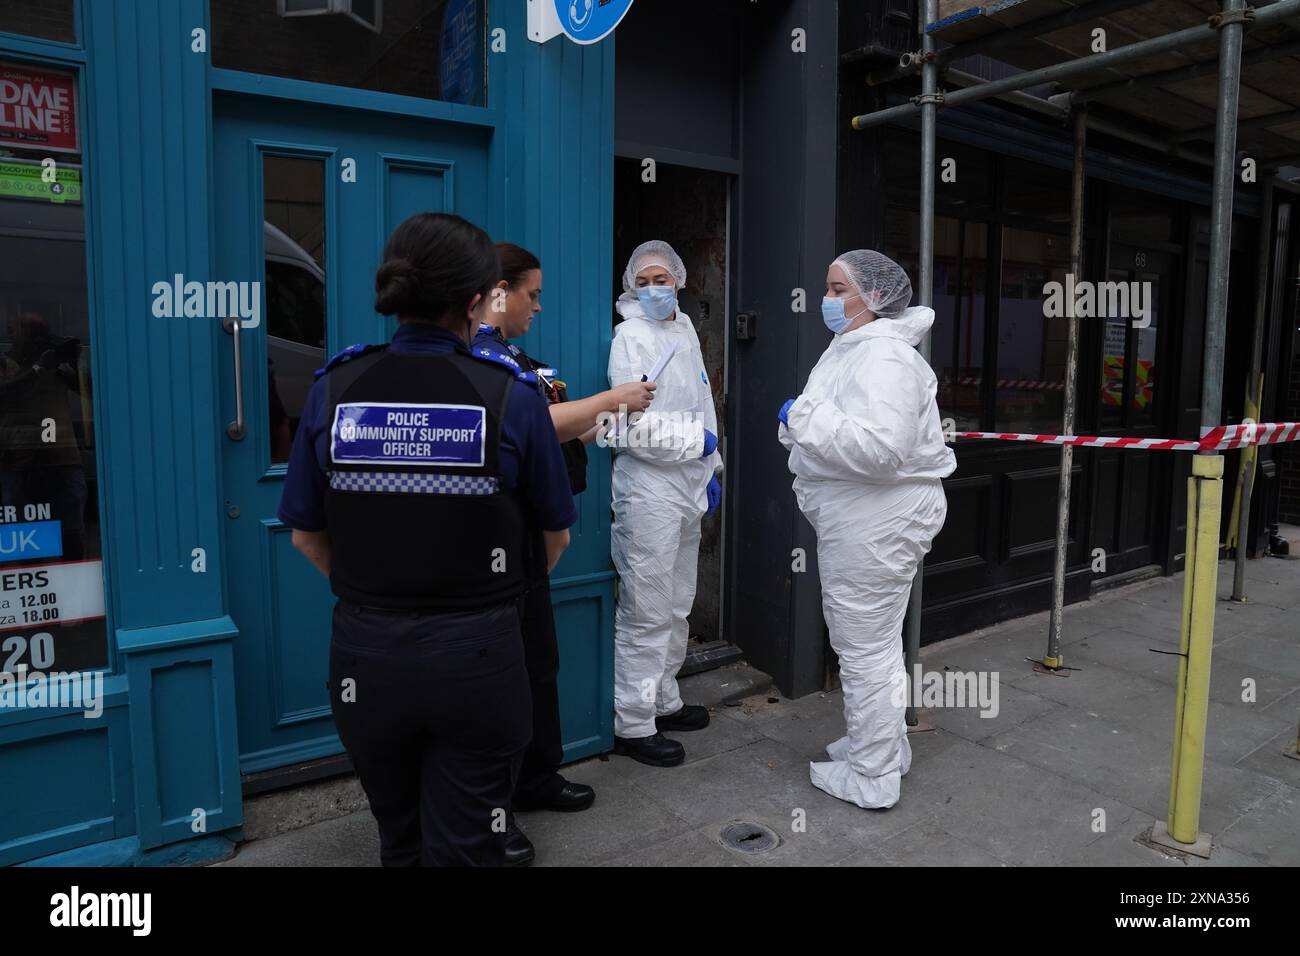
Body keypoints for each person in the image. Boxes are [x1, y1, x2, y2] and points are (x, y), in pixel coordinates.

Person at [277, 212, 577, 865]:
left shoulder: (335, 387)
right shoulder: (511, 397)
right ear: (475, 301)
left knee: (400, 836)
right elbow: (554, 535)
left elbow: (305, 535)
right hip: (478, 657)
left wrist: (374, 590)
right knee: (470, 841)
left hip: (364, 655)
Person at [473, 242, 655, 864]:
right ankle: (492, 812)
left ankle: (535, 777)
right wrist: (610, 401)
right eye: (533, 293)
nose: (539, 306)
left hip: (526, 534)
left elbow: (554, 419)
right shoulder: (477, 355)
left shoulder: (515, 356)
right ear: (499, 291)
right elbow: (528, 426)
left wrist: (599, 419)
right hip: (494, 537)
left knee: (536, 663)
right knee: (498, 678)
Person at [778, 249, 955, 809]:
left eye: (837, 289)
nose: (826, 300)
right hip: (866, 517)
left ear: (872, 298)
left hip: (878, 517)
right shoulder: (856, 349)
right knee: (869, 640)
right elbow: (836, 425)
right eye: (827, 288)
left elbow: (879, 451)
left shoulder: (884, 359)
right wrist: (801, 422)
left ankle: (873, 776)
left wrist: (799, 417)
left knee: (864, 647)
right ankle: (878, 744)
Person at [606, 240, 723, 768]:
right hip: (649, 487)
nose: (655, 289)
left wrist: (713, 467)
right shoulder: (628, 337)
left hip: (689, 485)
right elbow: (627, 424)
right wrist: (692, 444)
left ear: (679, 281)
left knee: (677, 602)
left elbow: (703, 401)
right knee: (647, 609)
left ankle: (664, 699)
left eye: (663, 279)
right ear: (632, 286)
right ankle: (633, 722)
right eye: (644, 281)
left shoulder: (685, 330)